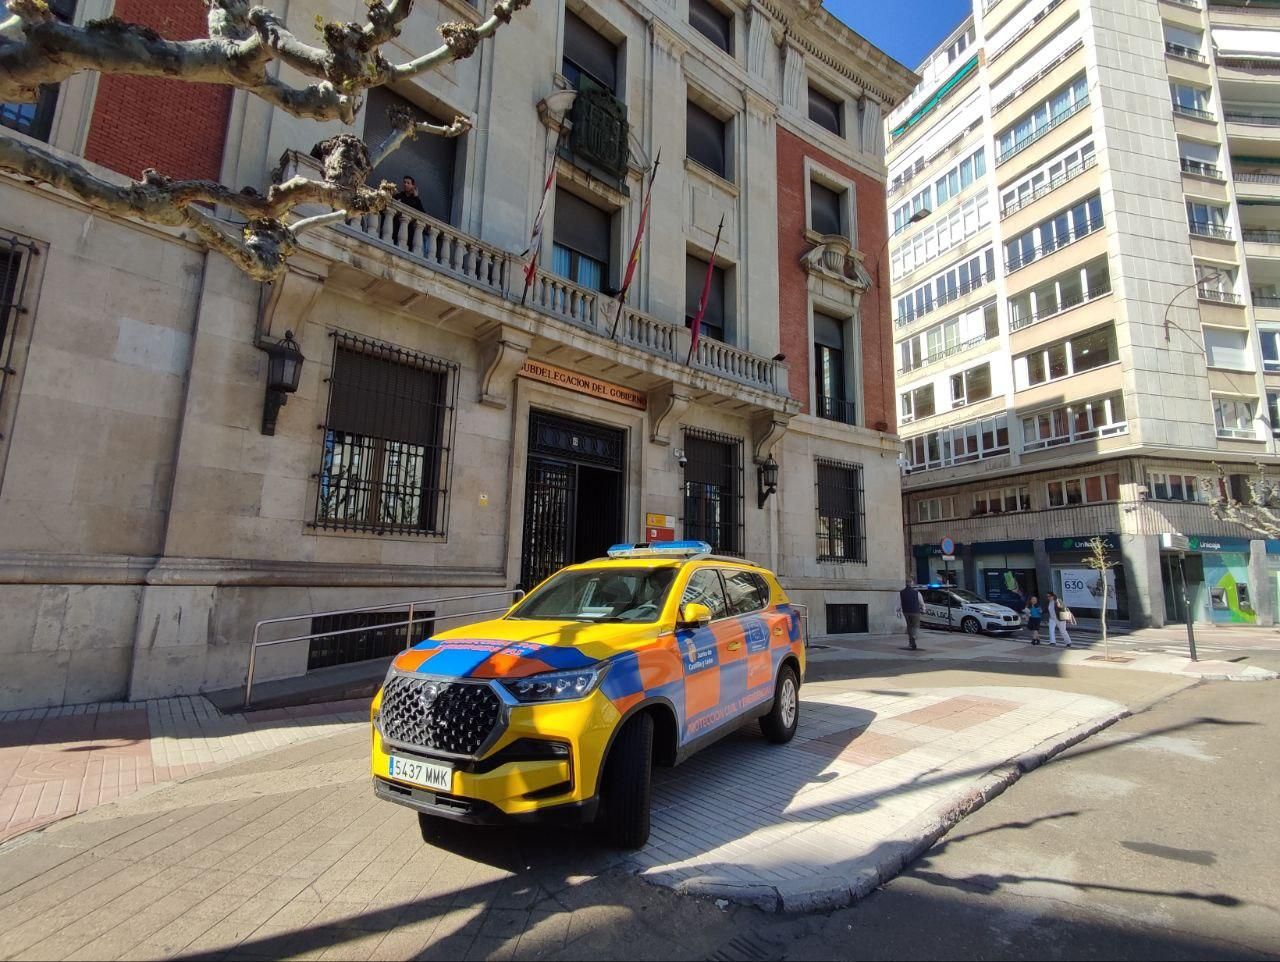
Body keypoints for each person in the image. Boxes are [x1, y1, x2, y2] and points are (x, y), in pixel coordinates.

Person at [389, 175, 426, 248]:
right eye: (404, 182)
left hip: (409, 230)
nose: (405, 184)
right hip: (396, 226)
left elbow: (422, 213)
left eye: (408, 183)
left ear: (413, 186)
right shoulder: (399, 196)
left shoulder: (415, 199)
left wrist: (416, 197)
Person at [899, 579, 924, 651]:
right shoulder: (916, 593)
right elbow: (921, 602)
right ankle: (914, 636)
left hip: (906, 611)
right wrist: (923, 609)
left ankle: (911, 642)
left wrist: (898, 610)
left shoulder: (901, 592)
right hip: (915, 611)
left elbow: (899, 603)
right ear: (912, 583)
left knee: (909, 626)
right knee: (915, 625)